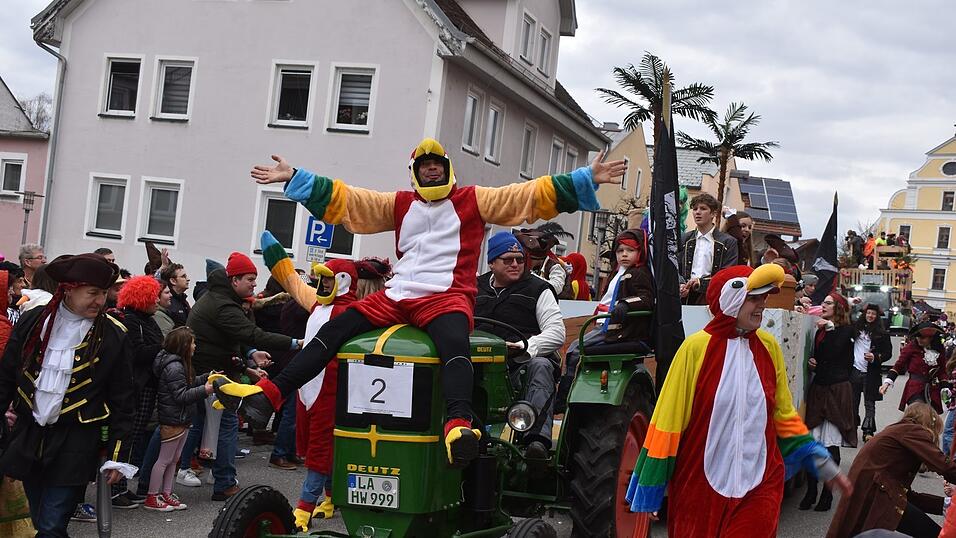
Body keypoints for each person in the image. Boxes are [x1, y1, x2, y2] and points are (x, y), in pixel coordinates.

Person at [222, 137, 625, 468]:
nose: (431, 169)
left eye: (437, 163)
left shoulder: (475, 199)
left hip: (446, 296)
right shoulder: (398, 204)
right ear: (414, 172)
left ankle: (457, 425)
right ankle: (271, 394)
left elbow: (527, 196)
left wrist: (586, 176)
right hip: (398, 295)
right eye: (424, 164)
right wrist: (294, 177)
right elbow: (349, 202)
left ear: (447, 167)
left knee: (453, 342)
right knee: (332, 331)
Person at [626, 264, 850, 537]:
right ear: (730, 300)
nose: (762, 305)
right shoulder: (695, 349)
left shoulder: (768, 348)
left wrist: (821, 460)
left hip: (759, 487)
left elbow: (784, 416)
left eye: (765, 298)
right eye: (754, 298)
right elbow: (668, 420)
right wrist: (652, 485)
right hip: (699, 489)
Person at [0, 253, 135, 537]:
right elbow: (7, 375)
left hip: (76, 440)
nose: (100, 301)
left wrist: (117, 454)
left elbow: (123, 399)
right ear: (69, 290)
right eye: (93, 293)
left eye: (103, 293)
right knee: (39, 521)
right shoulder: (35, 321)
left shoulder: (113, 334)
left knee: (51, 525)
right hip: (30, 435)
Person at [259, 234, 359, 532]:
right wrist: (277, 259)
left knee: (320, 447)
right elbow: (293, 283)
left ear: (342, 281)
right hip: (308, 384)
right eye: (321, 279)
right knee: (319, 445)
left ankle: (304, 507)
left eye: (329, 280)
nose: (322, 283)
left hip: (331, 386)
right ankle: (330, 497)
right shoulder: (318, 306)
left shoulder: (351, 312)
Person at [186, 252, 303, 501]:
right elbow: (252, 333)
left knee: (209, 427)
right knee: (224, 426)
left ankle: (215, 474)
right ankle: (224, 482)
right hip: (213, 375)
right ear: (234, 280)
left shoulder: (220, 298)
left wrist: (250, 356)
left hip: (215, 371)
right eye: (250, 279)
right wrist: (296, 343)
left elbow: (231, 338)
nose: (254, 285)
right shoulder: (223, 305)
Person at [475, 232, 565, 462]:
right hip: (477, 364)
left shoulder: (539, 289)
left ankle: (536, 443)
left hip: (518, 366)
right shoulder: (475, 288)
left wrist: (526, 346)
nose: (515, 264)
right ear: (492, 262)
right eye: (508, 260)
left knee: (542, 365)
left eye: (519, 259)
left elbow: (557, 332)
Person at [556, 229, 653, 413]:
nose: (624, 254)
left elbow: (646, 299)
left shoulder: (639, 273)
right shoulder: (617, 273)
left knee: (576, 349)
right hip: (604, 325)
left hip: (619, 329)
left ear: (640, 252)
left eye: (630, 250)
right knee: (571, 348)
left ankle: (565, 397)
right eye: (620, 250)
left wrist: (625, 305)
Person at [827, 403, 956, 538]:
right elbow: (943, 465)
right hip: (881, 493)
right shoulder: (912, 431)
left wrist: (947, 504)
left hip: (877, 492)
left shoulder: (900, 431)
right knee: (934, 534)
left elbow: (908, 496)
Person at [111, 275, 166, 508]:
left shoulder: (147, 319)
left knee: (134, 438)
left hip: (146, 385)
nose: (158, 300)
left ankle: (121, 486)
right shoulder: (132, 321)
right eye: (153, 296)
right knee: (128, 436)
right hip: (136, 387)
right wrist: (165, 346)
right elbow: (137, 353)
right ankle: (115, 490)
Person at [145, 327, 213, 512]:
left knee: (173, 459)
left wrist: (206, 378)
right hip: (173, 419)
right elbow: (181, 395)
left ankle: (166, 493)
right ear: (183, 345)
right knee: (165, 460)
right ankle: (152, 496)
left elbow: (187, 384)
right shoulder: (174, 366)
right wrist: (205, 390)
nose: (194, 346)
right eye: (192, 342)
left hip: (181, 418)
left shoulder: (179, 364)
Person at [802, 292, 858, 512]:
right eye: (823, 302)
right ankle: (811, 491)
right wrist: (815, 363)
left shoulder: (846, 331)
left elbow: (837, 353)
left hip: (837, 391)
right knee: (812, 444)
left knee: (830, 445)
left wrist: (830, 329)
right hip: (820, 389)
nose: (823, 305)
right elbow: (823, 355)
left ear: (839, 308)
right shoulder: (821, 331)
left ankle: (826, 495)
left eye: (828, 303)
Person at [678, 193, 738, 304]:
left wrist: (701, 283)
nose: (697, 212)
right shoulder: (684, 239)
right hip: (685, 296)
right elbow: (675, 267)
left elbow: (727, 274)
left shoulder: (728, 242)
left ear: (713, 213)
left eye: (703, 209)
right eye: (695, 209)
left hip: (713, 296)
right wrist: (680, 284)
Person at [881, 322, 949, 414]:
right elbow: (898, 366)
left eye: (922, 338)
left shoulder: (939, 350)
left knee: (931, 420)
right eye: (917, 337)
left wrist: (945, 387)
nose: (919, 340)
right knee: (918, 414)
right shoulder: (911, 348)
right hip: (914, 388)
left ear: (931, 338)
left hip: (932, 390)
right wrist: (887, 383)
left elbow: (942, 372)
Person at [851, 304, 893, 442]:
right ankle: (851, 428)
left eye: (873, 314)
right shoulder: (855, 329)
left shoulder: (882, 334)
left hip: (871, 373)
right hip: (854, 370)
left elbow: (888, 354)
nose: (870, 316)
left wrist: (875, 357)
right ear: (864, 314)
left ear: (877, 317)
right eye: (868, 313)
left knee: (869, 403)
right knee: (852, 402)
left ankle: (868, 431)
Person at [160, 263, 191, 327]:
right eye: (183, 276)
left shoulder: (182, 300)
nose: (188, 279)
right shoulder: (167, 302)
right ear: (173, 281)